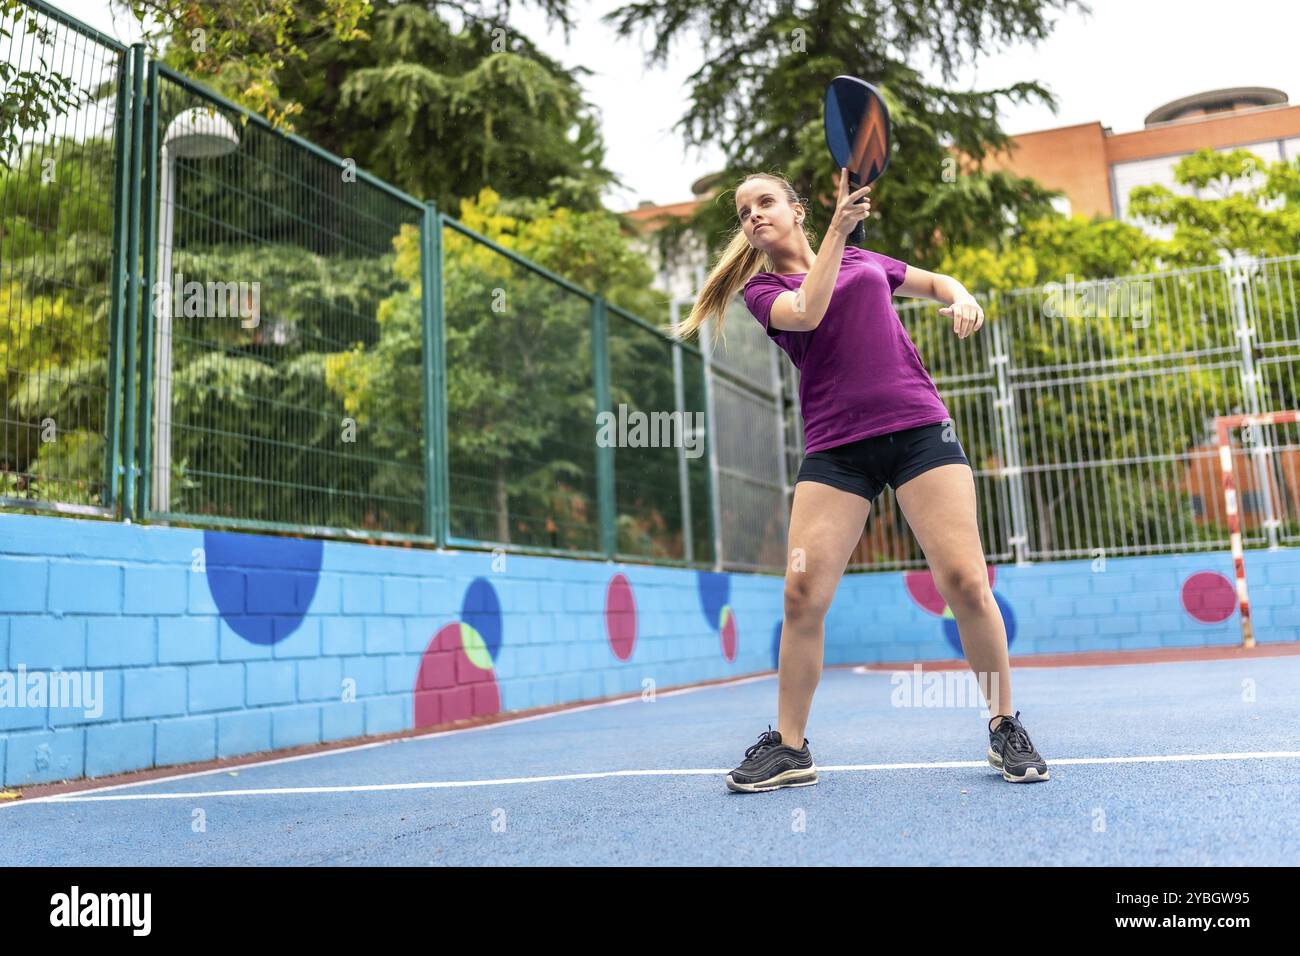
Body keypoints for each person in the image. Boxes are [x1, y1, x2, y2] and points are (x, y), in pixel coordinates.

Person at [669, 169, 1049, 790]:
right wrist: (840, 235)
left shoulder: (866, 259)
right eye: (744, 213)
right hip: (837, 450)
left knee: (964, 581)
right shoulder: (764, 292)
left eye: (766, 202)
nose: (754, 216)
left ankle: (1004, 724)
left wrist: (962, 296)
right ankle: (791, 748)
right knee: (801, 595)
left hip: (920, 429)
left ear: (796, 210)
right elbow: (809, 310)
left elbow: (934, 280)